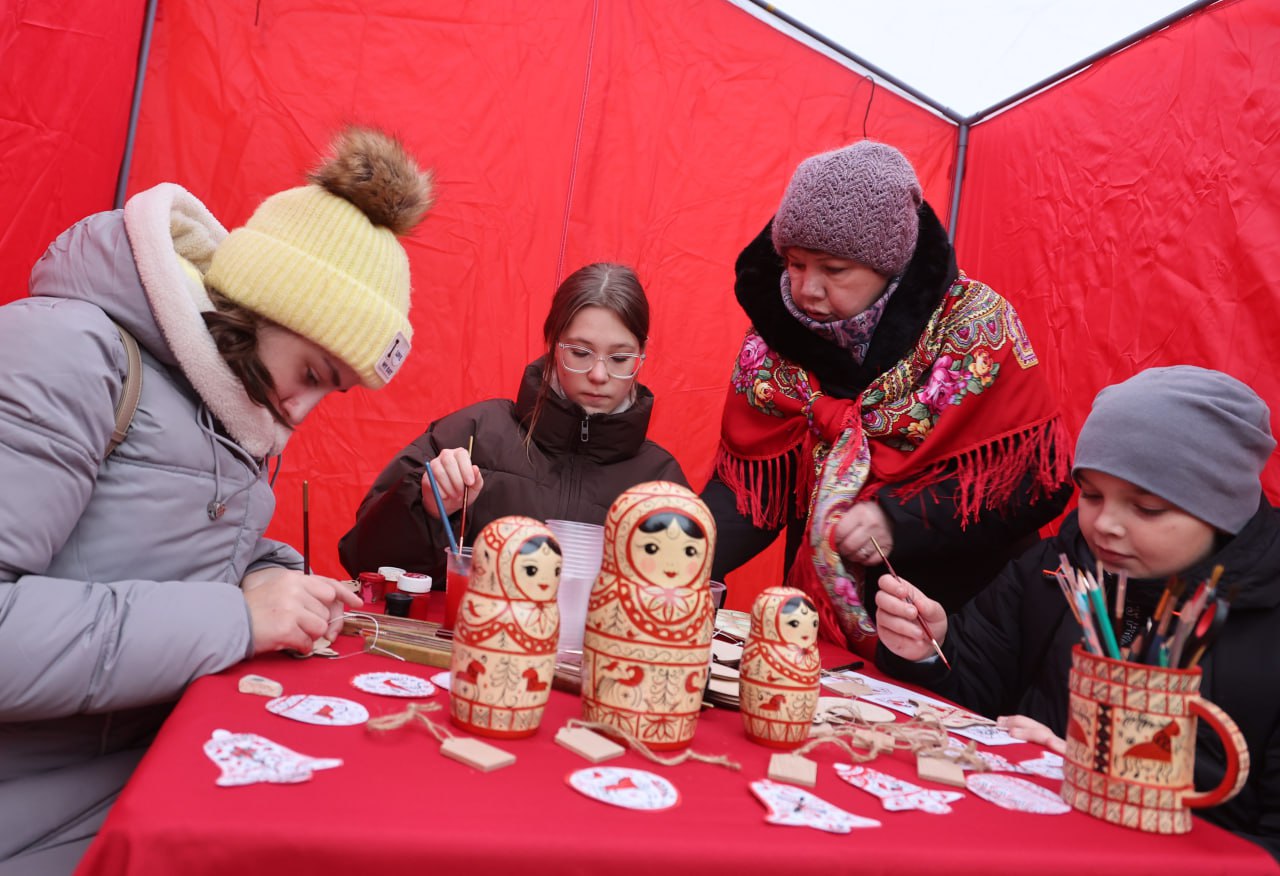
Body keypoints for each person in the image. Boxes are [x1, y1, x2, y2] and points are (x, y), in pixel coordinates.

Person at [0, 126, 433, 874]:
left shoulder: (224, 405)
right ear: (268, 302)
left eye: (331, 391)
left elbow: (164, 541)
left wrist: (268, 572)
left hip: (143, 775)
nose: (301, 412)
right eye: (312, 373)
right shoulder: (66, 353)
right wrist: (236, 618)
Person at [875, 366, 1280, 860]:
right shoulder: (1057, 569)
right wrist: (927, 650)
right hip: (1012, 842)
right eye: (1091, 495)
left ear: (1224, 509)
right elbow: (972, 694)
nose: (1106, 524)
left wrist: (1106, 788)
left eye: (1147, 508)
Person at [703, 140, 1072, 655]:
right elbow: (752, 489)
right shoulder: (775, 340)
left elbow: (1033, 481)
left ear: (890, 266)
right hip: (821, 628)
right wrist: (678, 554)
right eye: (795, 263)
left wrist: (898, 519)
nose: (807, 290)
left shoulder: (974, 328)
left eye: (833, 270)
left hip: (956, 626)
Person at [337, 262, 687, 585]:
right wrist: (425, 507)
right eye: (580, 353)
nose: (598, 374)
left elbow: (686, 601)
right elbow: (364, 560)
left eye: (620, 358)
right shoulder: (474, 434)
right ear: (553, 343)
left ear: (643, 352)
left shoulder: (660, 481)